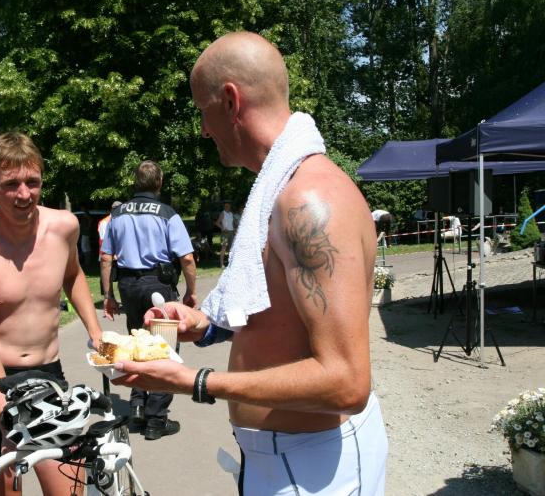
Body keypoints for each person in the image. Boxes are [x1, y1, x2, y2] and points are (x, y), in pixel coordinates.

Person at [111, 32, 387, 495]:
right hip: (281, 458)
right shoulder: (281, 189)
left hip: (314, 468)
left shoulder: (309, 201)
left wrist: (196, 381)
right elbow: (277, 313)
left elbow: (347, 382)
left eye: (203, 110)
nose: (203, 130)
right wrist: (204, 325)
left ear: (230, 101)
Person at [0, 131, 103, 496]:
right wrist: (4, 413)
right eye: (11, 184)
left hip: (46, 376)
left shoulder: (64, 227)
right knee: (5, 489)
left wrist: (96, 331)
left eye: (32, 182)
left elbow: (72, 275)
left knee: (69, 488)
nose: (24, 194)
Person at [100, 160, 197, 440]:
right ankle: (156, 419)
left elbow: (106, 258)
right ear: (159, 183)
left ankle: (137, 406)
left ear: (135, 182)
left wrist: (108, 295)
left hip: (128, 285)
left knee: (137, 343)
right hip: (158, 284)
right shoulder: (167, 214)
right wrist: (191, 291)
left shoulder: (117, 215)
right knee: (164, 348)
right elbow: (187, 258)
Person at [215, 201, 236, 267]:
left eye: (228, 206)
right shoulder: (223, 213)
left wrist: (234, 229)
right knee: (223, 248)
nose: (227, 207)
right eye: (226, 206)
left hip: (232, 232)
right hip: (225, 233)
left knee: (231, 248)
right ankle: (221, 264)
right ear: (224, 207)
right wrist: (223, 228)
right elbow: (217, 223)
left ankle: (231, 263)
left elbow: (232, 223)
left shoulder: (231, 213)